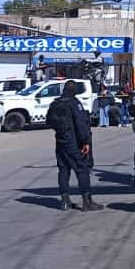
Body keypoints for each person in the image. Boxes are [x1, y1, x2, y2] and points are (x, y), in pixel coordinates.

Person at [45, 80, 104, 213]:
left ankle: (64, 201)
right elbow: (81, 124)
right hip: (74, 142)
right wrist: (86, 141)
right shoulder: (74, 103)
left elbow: (49, 121)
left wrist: (61, 131)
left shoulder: (55, 103)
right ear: (74, 90)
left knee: (63, 169)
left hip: (60, 140)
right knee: (82, 169)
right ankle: (87, 202)